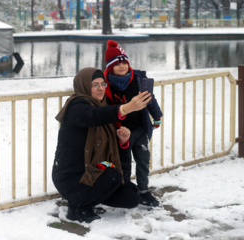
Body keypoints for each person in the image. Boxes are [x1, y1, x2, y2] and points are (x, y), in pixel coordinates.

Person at [52, 67, 151, 223]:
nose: (100, 89)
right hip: (72, 178)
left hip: (94, 173)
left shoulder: (103, 107)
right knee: (112, 176)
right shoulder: (76, 107)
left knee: (131, 197)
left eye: (102, 84)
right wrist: (127, 108)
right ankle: (76, 207)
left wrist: (122, 142)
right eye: (95, 85)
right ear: (84, 85)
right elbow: (93, 116)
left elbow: (115, 155)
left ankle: (89, 198)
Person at [103, 40, 163, 207]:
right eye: (117, 64)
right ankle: (125, 189)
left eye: (124, 62)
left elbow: (149, 99)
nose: (122, 66)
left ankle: (143, 190)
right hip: (121, 132)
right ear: (109, 67)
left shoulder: (138, 79)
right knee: (124, 163)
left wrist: (156, 116)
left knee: (143, 160)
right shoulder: (106, 85)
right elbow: (105, 108)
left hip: (141, 128)